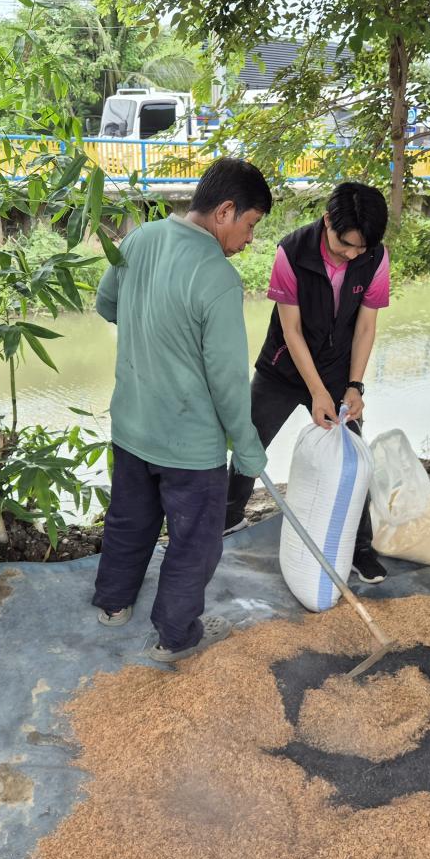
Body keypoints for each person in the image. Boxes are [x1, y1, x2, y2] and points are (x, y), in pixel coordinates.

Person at [91, 157, 272, 662]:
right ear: (225, 211)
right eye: (250, 225)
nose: (250, 240)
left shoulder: (139, 238)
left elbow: (107, 306)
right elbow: (229, 382)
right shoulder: (217, 277)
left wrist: (151, 326)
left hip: (131, 425)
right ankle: (175, 635)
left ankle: (113, 604)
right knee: (194, 541)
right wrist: (249, 451)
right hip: (190, 446)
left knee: (129, 518)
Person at [224, 182, 391, 585]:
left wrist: (354, 386)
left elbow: (366, 326)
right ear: (328, 220)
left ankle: (358, 548)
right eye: (344, 245)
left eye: (359, 249)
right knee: (249, 446)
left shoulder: (375, 258)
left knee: (351, 456)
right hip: (281, 369)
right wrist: (315, 391)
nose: (351, 254)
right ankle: (226, 519)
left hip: (337, 371)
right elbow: (292, 330)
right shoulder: (291, 252)